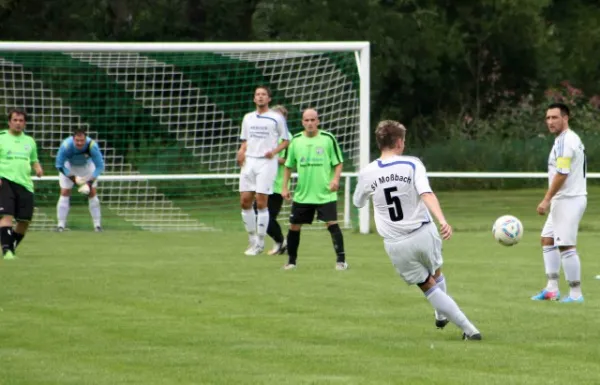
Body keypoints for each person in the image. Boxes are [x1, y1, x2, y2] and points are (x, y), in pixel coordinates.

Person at [352, 120, 481, 340]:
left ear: (379, 143)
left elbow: (358, 202)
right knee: (437, 272)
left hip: (395, 243)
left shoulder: (367, 173)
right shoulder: (412, 164)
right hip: (424, 232)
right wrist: (442, 220)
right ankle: (444, 316)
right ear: (400, 142)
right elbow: (426, 193)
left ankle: (469, 329)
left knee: (427, 285)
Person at [532, 102, 586, 303]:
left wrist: (546, 199)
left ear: (566, 118)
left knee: (566, 246)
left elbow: (562, 173)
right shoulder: (563, 140)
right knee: (547, 239)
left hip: (569, 200)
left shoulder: (566, 140)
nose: (550, 122)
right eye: (548, 118)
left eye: (555, 117)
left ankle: (575, 293)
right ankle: (552, 289)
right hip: (563, 199)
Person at [281, 108, 347, 270]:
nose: (310, 123)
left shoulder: (327, 139)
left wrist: (335, 179)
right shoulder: (296, 140)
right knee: (294, 226)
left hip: (325, 193)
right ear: (302, 122)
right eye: (306, 120)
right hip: (303, 194)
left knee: (332, 224)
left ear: (318, 121)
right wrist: (284, 187)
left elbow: (338, 162)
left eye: (313, 120)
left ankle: (341, 261)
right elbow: (288, 166)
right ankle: (291, 262)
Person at [237, 86, 290, 256]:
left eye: (263, 95)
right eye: (257, 94)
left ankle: (260, 242)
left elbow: (286, 140)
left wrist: (273, 152)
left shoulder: (276, 118)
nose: (260, 97)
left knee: (261, 202)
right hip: (249, 161)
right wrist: (241, 151)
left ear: (269, 99)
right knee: (245, 201)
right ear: (254, 99)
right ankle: (252, 239)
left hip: (266, 163)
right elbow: (245, 140)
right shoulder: (248, 118)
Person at [0, 108, 44, 260]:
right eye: (15, 120)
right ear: (9, 122)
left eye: (21, 121)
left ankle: (10, 246)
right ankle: (6, 251)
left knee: (24, 220)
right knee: (6, 215)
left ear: (24, 123)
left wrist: (38, 168)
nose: (18, 123)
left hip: (24, 183)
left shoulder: (29, 141)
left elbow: (34, 160)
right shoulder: (1, 138)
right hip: (4, 181)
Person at [253, 104, 290, 255]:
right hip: (263, 182)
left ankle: (280, 242)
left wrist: (271, 156)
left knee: (266, 216)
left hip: (276, 184)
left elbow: (288, 160)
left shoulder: (287, 137)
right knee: (260, 214)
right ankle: (280, 242)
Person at [55, 128, 105, 232]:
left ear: (85, 139)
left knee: (92, 192)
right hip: (68, 166)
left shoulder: (92, 146)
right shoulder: (66, 146)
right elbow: (59, 165)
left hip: (86, 166)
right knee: (65, 192)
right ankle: (60, 225)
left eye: (82, 140)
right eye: (77, 140)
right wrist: (74, 179)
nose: (79, 143)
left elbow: (100, 166)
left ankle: (97, 225)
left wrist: (89, 183)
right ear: (73, 139)